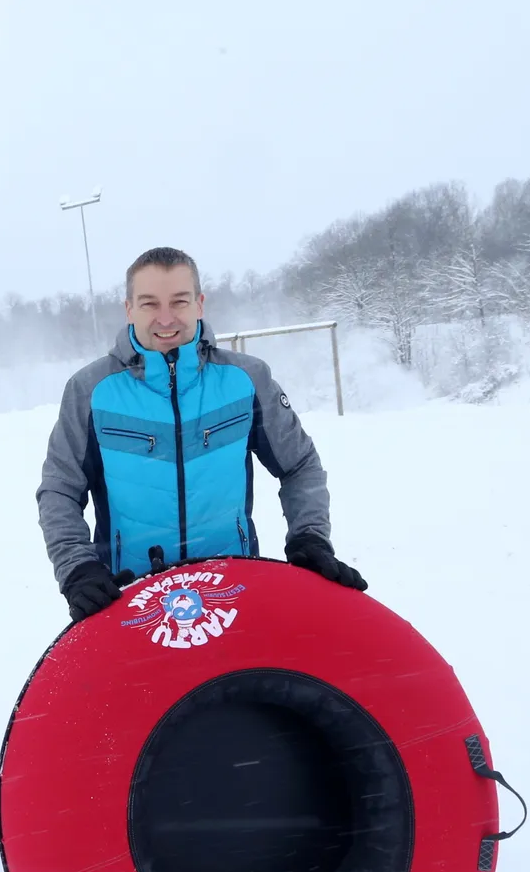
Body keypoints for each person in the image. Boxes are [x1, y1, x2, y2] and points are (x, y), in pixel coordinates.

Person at [37, 246, 366, 621]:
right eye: (149, 304)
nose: (165, 319)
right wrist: (77, 569)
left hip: (233, 592)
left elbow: (300, 464)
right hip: (130, 602)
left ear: (199, 304)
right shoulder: (91, 391)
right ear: (128, 309)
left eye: (179, 301)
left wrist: (309, 536)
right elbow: (59, 490)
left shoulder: (246, 380)